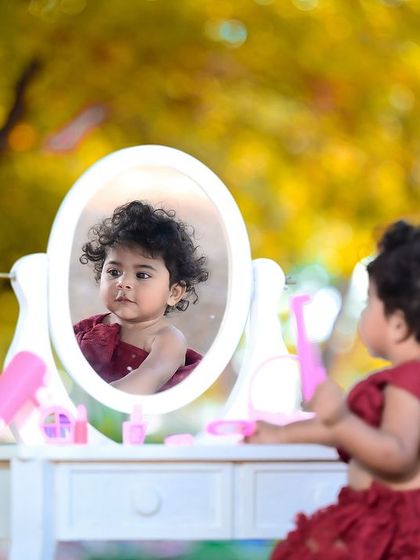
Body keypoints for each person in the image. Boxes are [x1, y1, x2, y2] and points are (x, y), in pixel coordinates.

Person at [245, 220, 420, 559]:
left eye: (368, 302)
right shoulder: (398, 381)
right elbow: (345, 433)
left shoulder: (408, 382)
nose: (363, 314)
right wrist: (282, 435)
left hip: (391, 526)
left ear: (398, 324)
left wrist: (340, 417)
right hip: (375, 513)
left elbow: (397, 455)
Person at [73, 200, 209, 394]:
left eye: (142, 275)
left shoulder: (167, 340)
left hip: (137, 420)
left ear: (173, 293)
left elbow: (149, 378)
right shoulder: (90, 328)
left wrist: (96, 401)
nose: (123, 282)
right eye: (113, 271)